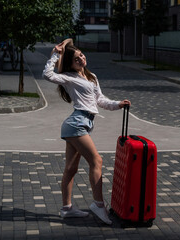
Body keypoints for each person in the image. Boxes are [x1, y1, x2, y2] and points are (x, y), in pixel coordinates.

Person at [42, 39, 131, 225]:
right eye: (76, 59)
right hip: (76, 124)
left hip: (82, 123)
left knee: (71, 168)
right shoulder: (68, 77)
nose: (81, 59)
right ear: (70, 64)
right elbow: (47, 74)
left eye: (81, 55)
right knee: (96, 160)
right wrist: (56, 54)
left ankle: (66, 209)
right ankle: (99, 205)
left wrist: (118, 105)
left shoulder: (92, 77)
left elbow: (100, 100)